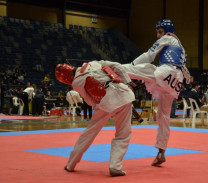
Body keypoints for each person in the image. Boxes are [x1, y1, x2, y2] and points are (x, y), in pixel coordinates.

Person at [123, 19, 191, 166]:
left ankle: (116, 69)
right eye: (157, 33)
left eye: (160, 32)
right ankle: (161, 152)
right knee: (163, 115)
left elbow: (149, 55)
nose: (158, 36)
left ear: (167, 31)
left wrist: (132, 65)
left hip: (168, 71)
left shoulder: (169, 37)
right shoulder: (181, 46)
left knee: (146, 68)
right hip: (176, 82)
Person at [56, 61, 135, 177]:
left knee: (89, 132)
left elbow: (90, 101)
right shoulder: (94, 63)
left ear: (66, 78)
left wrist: (101, 104)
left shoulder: (77, 82)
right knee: (123, 133)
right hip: (124, 94)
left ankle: (71, 164)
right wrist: (128, 83)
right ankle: (115, 166)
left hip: (105, 102)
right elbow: (117, 66)